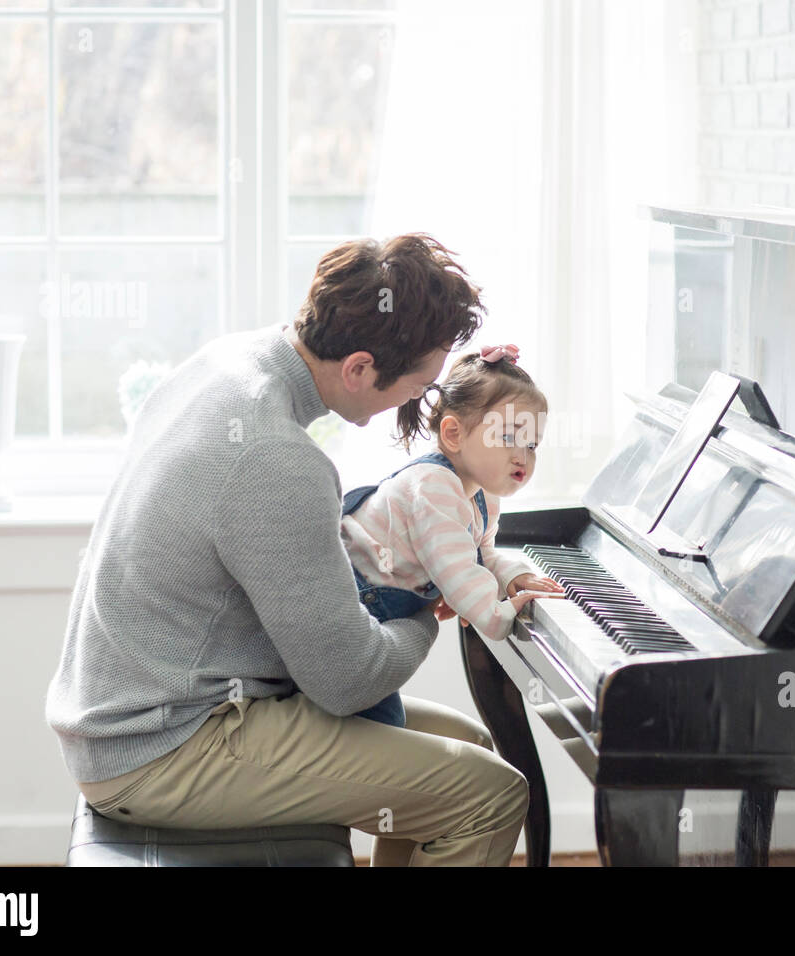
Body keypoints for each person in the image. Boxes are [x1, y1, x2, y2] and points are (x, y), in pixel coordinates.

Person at [45, 234, 531, 866]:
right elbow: (348, 682)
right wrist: (426, 602)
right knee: (489, 796)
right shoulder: (276, 457)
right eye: (416, 386)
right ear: (359, 368)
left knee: (473, 748)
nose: (417, 403)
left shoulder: (229, 361)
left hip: (141, 713)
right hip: (162, 746)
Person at [342, 343, 565, 728]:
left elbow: (478, 555)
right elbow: (462, 576)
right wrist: (496, 612)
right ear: (453, 434)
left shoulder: (482, 493)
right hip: (353, 615)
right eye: (508, 438)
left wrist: (513, 578)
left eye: (532, 444)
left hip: (382, 610)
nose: (522, 457)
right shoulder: (434, 486)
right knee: (384, 728)